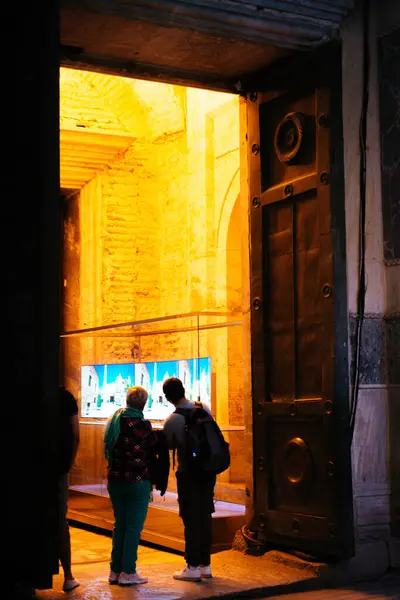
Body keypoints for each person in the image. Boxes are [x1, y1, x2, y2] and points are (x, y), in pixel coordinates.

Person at [104, 386, 169, 587]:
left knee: (120, 524)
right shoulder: (141, 425)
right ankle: (128, 572)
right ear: (143, 404)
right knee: (133, 527)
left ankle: (115, 570)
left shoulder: (115, 420)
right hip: (137, 481)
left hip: (115, 480)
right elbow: (151, 447)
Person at [163, 377, 216, 582]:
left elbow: (168, 445)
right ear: (184, 390)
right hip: (208, 472)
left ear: (167, 398)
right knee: (205, 515)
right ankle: (206, 565)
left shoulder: (173, 420)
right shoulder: (203, 408)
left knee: (190, 518)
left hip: (188, 473)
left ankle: (192, 566)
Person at [58, 387, 80, 592]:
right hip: (57, 469)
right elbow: (75, 434)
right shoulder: (64, 397)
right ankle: (68, 575)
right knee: (59, 521)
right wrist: (69, 462)